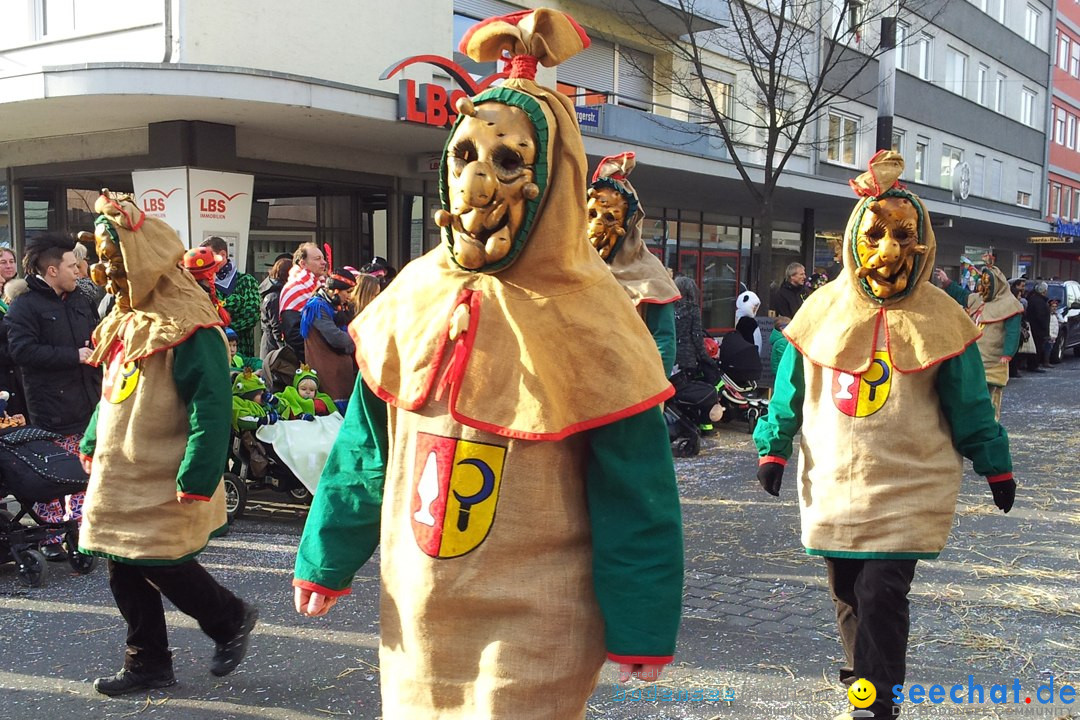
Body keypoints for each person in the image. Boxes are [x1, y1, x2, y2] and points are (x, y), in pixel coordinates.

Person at [292, 11, 683, 718]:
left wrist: (642, 622)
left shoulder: (597, 314)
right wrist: (327, 555)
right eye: (463, 157)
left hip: (537, 608)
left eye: (505, 162)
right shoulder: (414, 291)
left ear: (551, 177)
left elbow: (637, 490)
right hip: (418, 608)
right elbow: (366, 446)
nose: (475, 184)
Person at [754, 152, 1014, 720]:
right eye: (876, 235)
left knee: (881, 593)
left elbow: (970, 403)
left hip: (908, 482)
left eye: (904, 235)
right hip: (835, 484)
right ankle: (864, 689)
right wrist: (773, 445)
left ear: (922, 244)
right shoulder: (820, 311)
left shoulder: (943, 318)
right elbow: (789, 389)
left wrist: (995, 462)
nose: (889, 251)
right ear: (854, 241)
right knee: (847, 593)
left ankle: (880, 703)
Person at [78, 193, 257, 696]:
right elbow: (114, 393)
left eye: (115, 256)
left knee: (159, 559)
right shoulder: (128, 318)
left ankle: (228, 618)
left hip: (161, 468)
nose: (105, 268)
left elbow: (212, 404)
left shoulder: (191, 326)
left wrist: (200, 473)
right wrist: (93, 439)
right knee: (122, 564)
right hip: (120, 471)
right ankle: (147, 662)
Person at [7, 233, 101, 561]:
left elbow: (96, 335)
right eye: (72, 266)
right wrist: (72, 355)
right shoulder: (24, 306)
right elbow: (21, 350)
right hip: (52, 407)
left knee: (90, 471)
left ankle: (85, 531)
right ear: (51, 271)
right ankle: (53, 536)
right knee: (57, 475)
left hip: (90, 400)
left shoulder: (81, 300)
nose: (79, 271)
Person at [586, 151, 679, 374]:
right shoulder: (577, 266)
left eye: (610, 217)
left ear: (627, 224)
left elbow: (664, 341)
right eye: (591, 214)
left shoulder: (650, 275)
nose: (594, 227)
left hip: (631, 387)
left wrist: (649, 391)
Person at [934, 263, 1023, 421]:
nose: (982, 287)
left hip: (993, 362)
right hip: (973, 360)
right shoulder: (979, 300)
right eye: (982, 282)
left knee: (990, 400)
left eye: (986, 283)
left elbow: (1013, 332)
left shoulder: (1010, 305)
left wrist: (1008, 354)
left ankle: (989, 426)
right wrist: (947, 282)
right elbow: (962, 295)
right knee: (969, 395)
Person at [300, 272, 357, 401]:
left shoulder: (338, 307)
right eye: (348, 292)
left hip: (341, 371)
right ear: (335, 291)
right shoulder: (317, 306)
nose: (349, 297)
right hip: (327, 371)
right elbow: (337, 339)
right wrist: (360, 337)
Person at [200, 237, 260, 357]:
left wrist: (222, 326)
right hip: (213, 349)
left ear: (223, 255)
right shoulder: (203, 284)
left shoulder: (246, 281)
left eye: (209, 257)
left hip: (243, 349)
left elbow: (252, 315)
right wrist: (237, 303)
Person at [278, 242, 328, 362]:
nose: (324, 262)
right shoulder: (294, 288)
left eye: (323, 258)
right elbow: (293, 334)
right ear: (303, 263)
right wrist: (319, 352)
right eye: (317, 259)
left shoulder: (321, 285)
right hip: (306, 360)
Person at [259, 256, 292, 362]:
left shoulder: (272, 293)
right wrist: (284, 350)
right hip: (273, 347)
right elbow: (276, 327)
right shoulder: (275, 296)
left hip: (269, 344)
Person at [1025, 281, 1051, 372]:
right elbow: (1040, 316)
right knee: (1037, 347)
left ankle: (1033, 364)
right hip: (1037, 329)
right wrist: (1044, 327)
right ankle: (1033, 365)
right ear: (1043, 291)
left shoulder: (1034, 299)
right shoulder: (1039, 301)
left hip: (1035, 328)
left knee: (1036, 346)